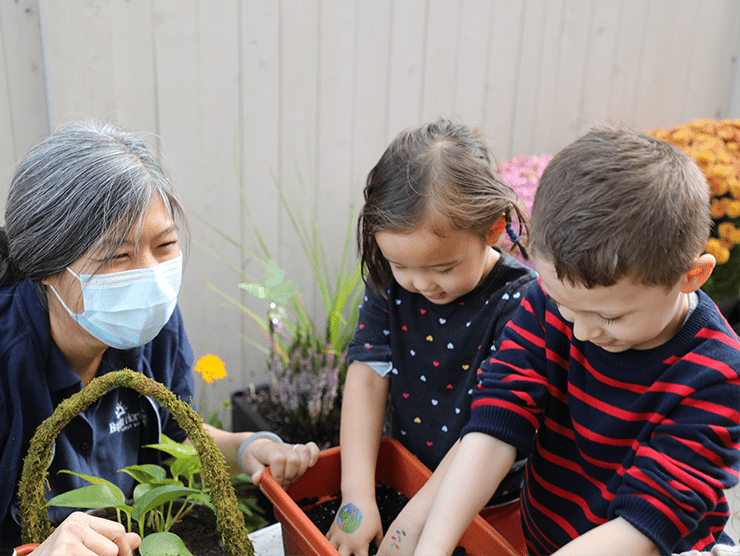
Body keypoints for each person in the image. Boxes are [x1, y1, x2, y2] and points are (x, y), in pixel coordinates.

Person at [405, 125, 740, 556]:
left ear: (690, 277)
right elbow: (497, 423)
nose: (582, 331)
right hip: (546, 538)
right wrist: (431, 545)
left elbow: (649, 521)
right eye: (566, 305)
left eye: (609, 315)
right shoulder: (547, 301)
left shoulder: (717, 377)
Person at [0, 121, 320, 554]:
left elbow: (176, 436)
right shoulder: (9, 359)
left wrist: (245, 449)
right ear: (45, 265)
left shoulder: (151, 324)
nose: (150, 276)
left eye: (164, 245)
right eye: (118, 255)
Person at [327, 117, 537, 556]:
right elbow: (367, 375)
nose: (420, 284)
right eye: (401, 266)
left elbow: (489, 429)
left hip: (490, 503)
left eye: (443, 268)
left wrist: (413, 525)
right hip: (407, 474)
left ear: (494, 228)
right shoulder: (389, 279)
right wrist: (357, 498)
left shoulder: (518, 302)